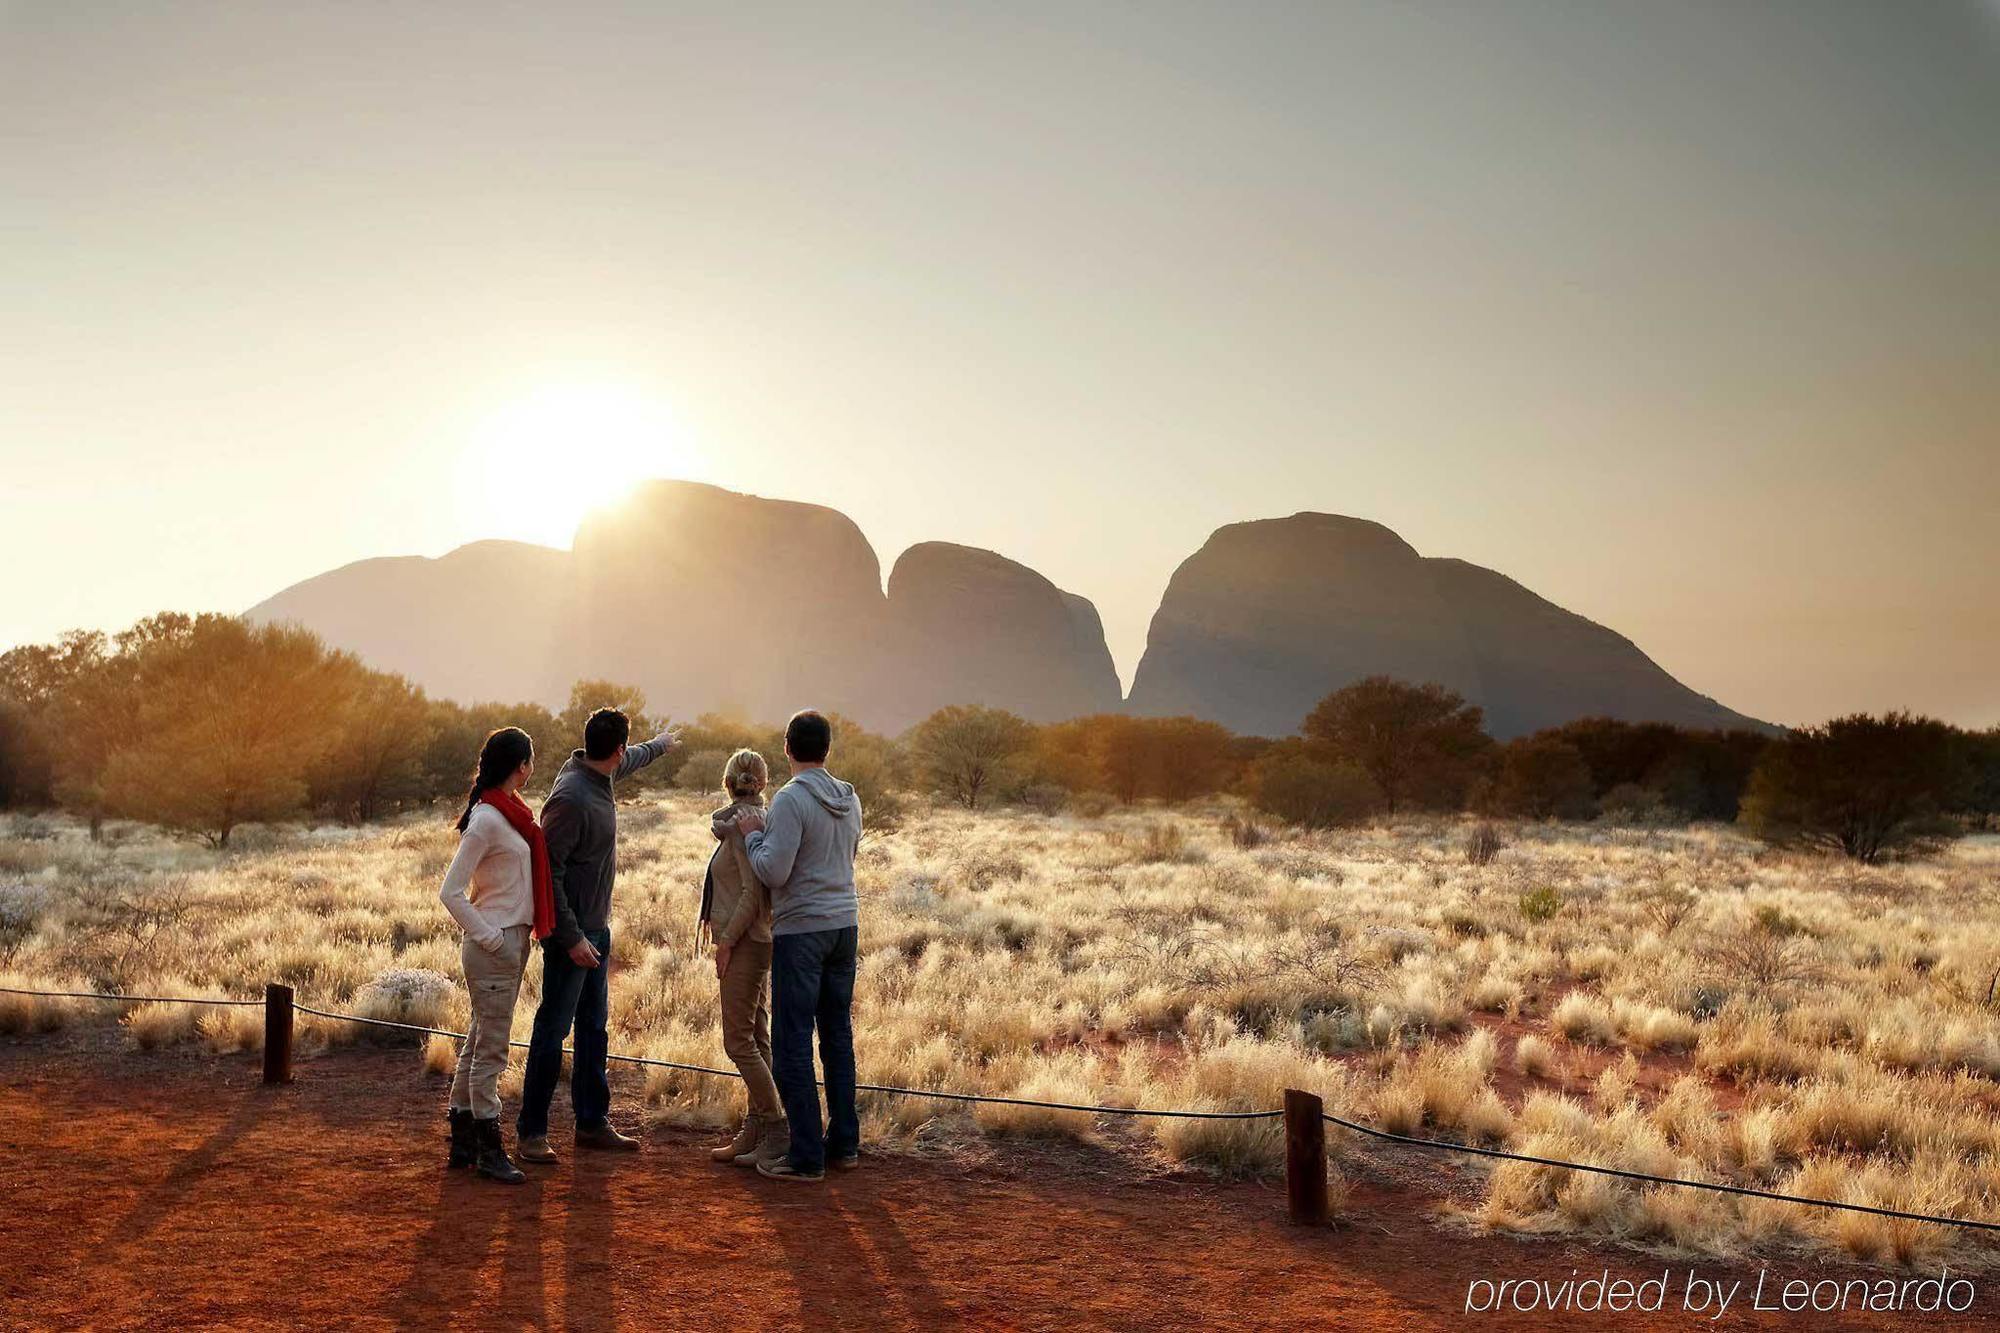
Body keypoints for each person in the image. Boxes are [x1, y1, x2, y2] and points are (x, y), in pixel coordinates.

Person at [515, 707, 680, 1164]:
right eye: (627, 751)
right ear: (616, 749)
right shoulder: (571, 798)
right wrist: (570, 939)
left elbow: (630, 760)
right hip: (574, 934)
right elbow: (549, 874)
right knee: (553, 1028)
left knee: (593, 1028)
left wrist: (660, 746)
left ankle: (591, 1123)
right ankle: (531, 1131)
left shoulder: (599, 771)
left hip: (596, 928)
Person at [727, 709, 862, 1182]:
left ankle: (806, 1155)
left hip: (802, 930)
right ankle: (844, 1143)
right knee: (837, 1038)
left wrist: (753, 837)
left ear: (787, 748)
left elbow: (774, 870)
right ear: (827, 748)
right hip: (845, 926)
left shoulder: (790, 799)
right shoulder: (850, 797)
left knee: (791, 1043)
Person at [436, 726, 554, 1185]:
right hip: (496, 945)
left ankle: (465, 1140)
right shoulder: (488, 818)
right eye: (531, 759)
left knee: (477, 1040)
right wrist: (491, 937)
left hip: (506, 942)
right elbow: (450, 892)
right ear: (520, 766)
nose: (532, 766)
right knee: (492, 1048)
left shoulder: (507, 813)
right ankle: (488, 1148)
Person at [700, 749, 786, 1166]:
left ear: (727, 781)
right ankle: (755, 1130)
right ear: (762, 782)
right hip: (756, 938)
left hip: (747, 939)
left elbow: (752, 893)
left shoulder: (738, 827)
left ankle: (775, 1127)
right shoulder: (756, 822)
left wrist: (727, 941)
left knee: (737, 1040)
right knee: (756, 1034)